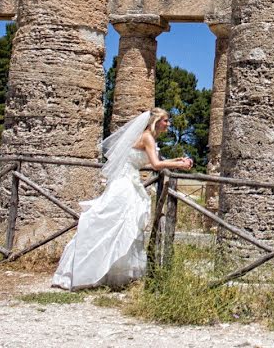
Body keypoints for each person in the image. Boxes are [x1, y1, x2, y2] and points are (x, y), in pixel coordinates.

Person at [52, 108, 193, 290]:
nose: (168, 124)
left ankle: (106, 272)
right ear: (156, 121)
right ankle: (84, 272)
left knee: (119, 226)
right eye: (166, 120)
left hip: (128, 182)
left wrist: (176, 159)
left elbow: (148, 162)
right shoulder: (148, 137)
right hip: (125, 185)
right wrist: (179, 165)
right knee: (113, 225)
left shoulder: (146, 137)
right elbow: (157, 165)